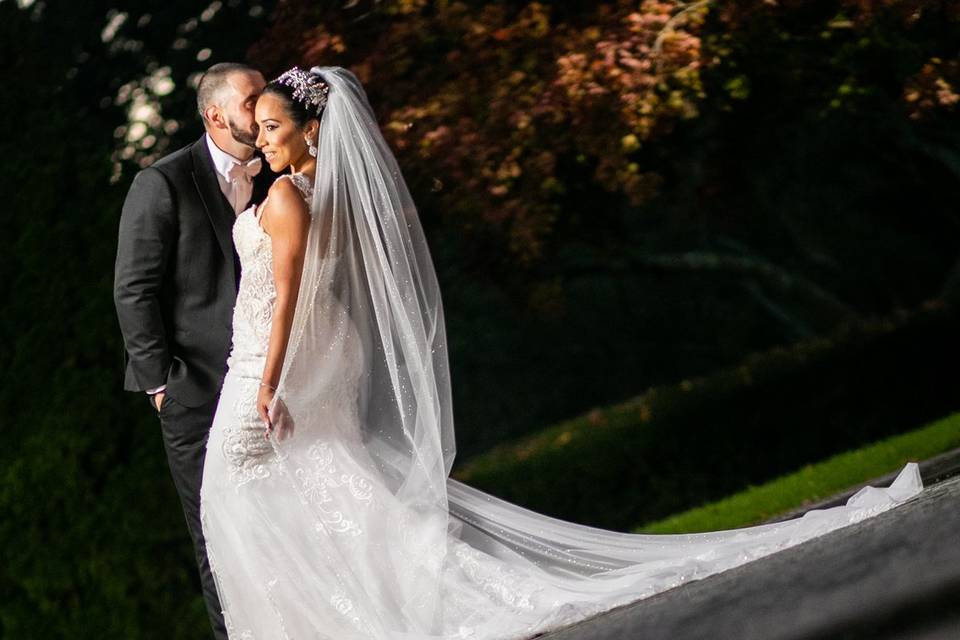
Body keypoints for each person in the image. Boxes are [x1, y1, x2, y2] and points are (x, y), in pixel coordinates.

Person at [199, 65, 923, 639]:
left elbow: (290, 293)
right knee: (313, 495)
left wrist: (271, 380)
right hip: (284, 358)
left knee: (254, 494)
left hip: (272, 362)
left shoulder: (295, 198)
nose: (260, 137)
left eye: (270, 126)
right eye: (255, 126)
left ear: (312, 129)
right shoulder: (310, 189)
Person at [113, 62, 276, 640]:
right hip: (196, 391)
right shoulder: (162, 182)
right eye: (251, 97)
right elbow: (133, 288)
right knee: (217, 536)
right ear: (215, 114)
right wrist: (162, 385)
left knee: (287, 522)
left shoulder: (277, 171)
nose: (263, 105)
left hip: (274, 381)